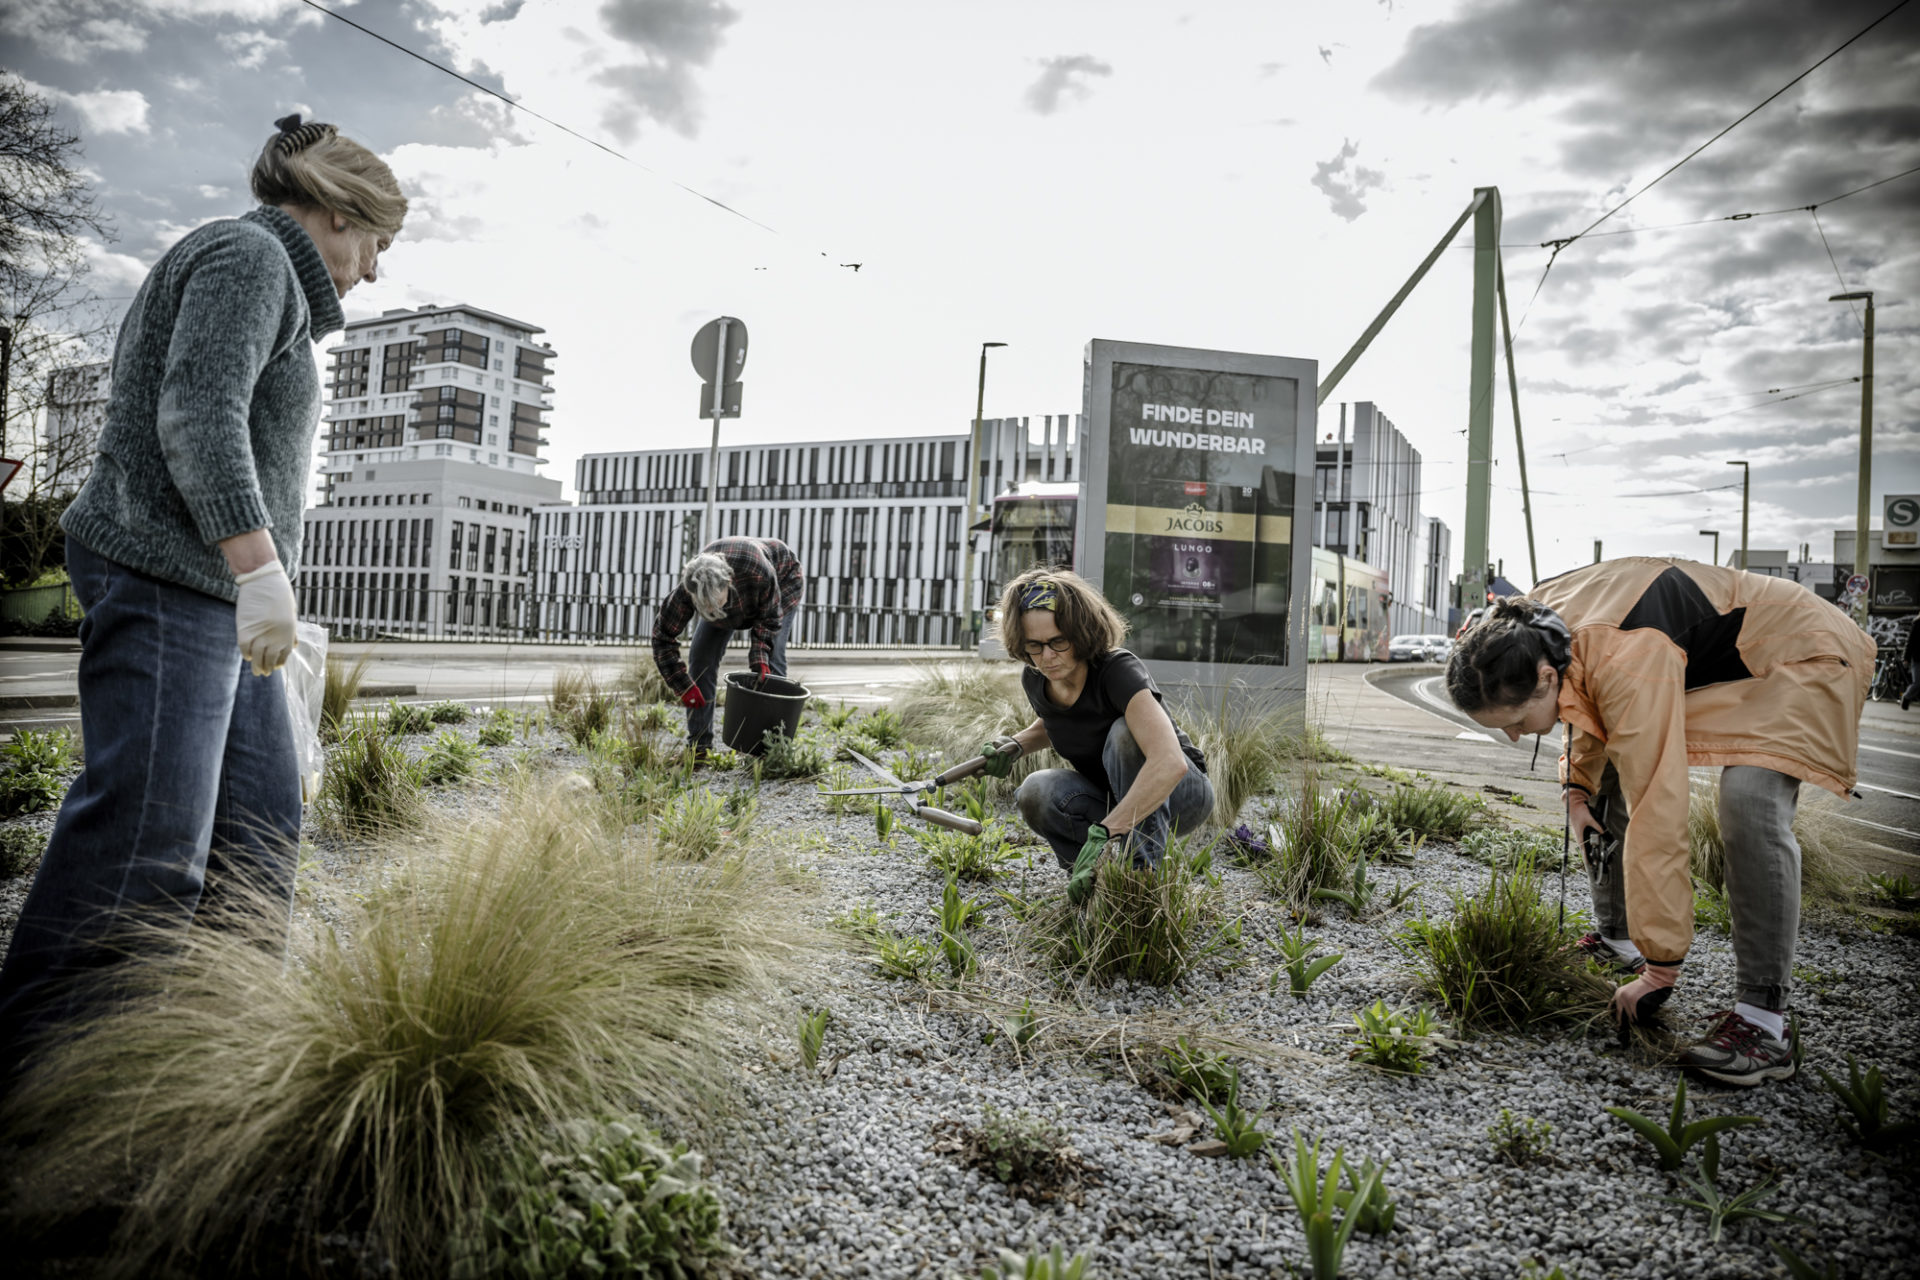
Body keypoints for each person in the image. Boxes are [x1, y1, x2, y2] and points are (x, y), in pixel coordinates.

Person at [0, 115, 406, 1082]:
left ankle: (211, 1074)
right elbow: (198, 413)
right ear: (340, 215)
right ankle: (41, 1089)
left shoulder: (266, 275)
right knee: (146, 846)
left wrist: (263, 588)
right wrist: (259, 568)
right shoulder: (248, 255)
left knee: (259, 837)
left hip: (214, 594)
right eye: (377, 245)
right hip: (169, 578)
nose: (375, 271)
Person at [1445, 560, 1874, 1087]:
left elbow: (1656, 805)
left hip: (1800, 652)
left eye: (1515, 724)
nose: (1514, 737)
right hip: (1710, 658)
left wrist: (1663, 968)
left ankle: (1765, 1021)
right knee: (1598, 785)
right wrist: (1576, 789)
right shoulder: (1529, 626)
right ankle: (1618, 939)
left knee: (1750, 802)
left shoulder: (1628, 657)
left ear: (1544, 676)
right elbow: (1585, 692)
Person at [979, 568, 1213, 904]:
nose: (1047, 656)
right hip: (1113, 794)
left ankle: (1140, 890)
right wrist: (1016, 745)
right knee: (1035, 790)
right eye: (1034, 645)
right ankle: (1091, 881)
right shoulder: (1036, 679)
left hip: (1180, 793)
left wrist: (1106, 830)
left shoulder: (1117, 671)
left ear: (1082, 632)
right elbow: (1062, 721)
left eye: (1058, 641)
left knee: (1123, 734)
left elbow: (1169, 762)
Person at [652, 536, 804, 754]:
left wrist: (760, 658)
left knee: (772, 659)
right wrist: (682, 685)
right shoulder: (689, 588)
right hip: (739, 592)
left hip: (782, 580)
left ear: (728, 582)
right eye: (705, 609)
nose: (713, 614)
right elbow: (662, 638)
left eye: (715, 606)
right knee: (701, 656)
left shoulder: (757, 570)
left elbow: (769, 620)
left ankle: (772, 749)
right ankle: (699, 745)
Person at [1901, 617, 1917, 712]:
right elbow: (1910, 642)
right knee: (1918, 683)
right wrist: (1906, 658)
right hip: (1917, 658)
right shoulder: (1917, 623)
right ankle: (1906, 697)